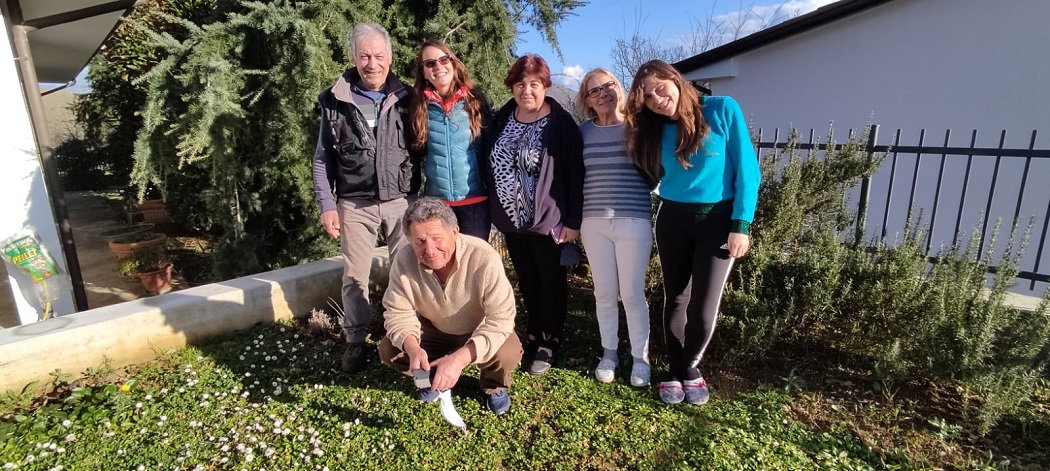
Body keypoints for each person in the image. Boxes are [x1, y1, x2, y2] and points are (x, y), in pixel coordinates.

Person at [624, 60, 760, 405]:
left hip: (717, 221)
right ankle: (675, 370)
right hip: (672, 219)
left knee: (703, 307)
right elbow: (649, 174)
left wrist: (740, 225)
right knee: (677, 299)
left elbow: (748, 171)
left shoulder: (722, 109)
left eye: (660, 88)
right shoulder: (654, 129)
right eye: (648, 98)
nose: (657, 99)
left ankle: (689, 368)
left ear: (675, 80)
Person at [312, 22, 422, 375]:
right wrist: (328, 204)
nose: (371, 63)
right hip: (353, 203)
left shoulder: (408, 98)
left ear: (389, 58)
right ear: (354, 58)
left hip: (401, 200)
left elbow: (423, 151)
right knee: (354, 276)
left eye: (378, 55)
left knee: (406, 272)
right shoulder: (334, 100)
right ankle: (356, 341)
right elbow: (321, 159)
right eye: (364, 56)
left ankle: (408, 335)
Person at [485, 54, 584, 376]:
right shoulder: (503, 117)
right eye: (520, 84)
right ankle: (532, 331)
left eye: (534, 84)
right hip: (512, 221)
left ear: (545, 86)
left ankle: (549, 341)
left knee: (550, 281)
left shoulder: (559, 122)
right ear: (512, 87)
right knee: (527, 279)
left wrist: (573, 221)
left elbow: (574, 172)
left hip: (548, 219)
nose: (527, 91)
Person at [379, 197, 521, 415]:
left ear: (454, 232)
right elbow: (397, 312)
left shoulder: (484, 257)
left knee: (508, 352)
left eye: (437, 238)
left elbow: (500, 318)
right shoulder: (403, 259)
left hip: (478, 328)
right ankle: (432, 377)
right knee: (390, 349)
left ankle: (493, 386)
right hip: (435, 328)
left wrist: (460, 359)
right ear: (410, 241)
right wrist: (413, 347)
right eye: (420, 242)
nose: (430, 250)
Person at [574, 68, 653, 387]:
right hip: (593, 222)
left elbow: (655, 174)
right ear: (588, 101)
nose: (604, 93)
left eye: (609, 85)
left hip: (633, 219)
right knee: (604, 292)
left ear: (619, 89)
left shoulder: (639, 127)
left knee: (632, 293)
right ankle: (609, 353)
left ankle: (640, 359)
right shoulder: (582, 132)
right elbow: (574, 176)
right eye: (595, 90)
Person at [408, 40, 493, 240]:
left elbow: (491, 148)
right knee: (443, 265)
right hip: (437, 204)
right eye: (430, 63)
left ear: (453, 62)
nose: (438, 66)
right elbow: (414, 154)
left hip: (475, 201)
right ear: (424, 72)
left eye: (443, 59)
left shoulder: (476, 101)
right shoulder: (418, 106)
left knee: (474, 263)